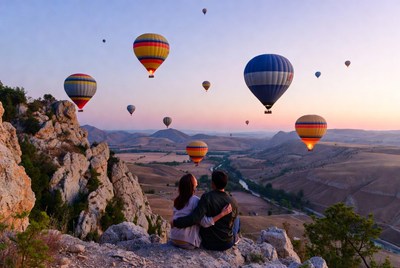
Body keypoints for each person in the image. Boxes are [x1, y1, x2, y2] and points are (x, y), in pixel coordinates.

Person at [173, 170, 240, 251]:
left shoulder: (206, 197)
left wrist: (175, 222)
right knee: (237, 219)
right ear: (226, 184)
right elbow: (199, 220)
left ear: (212, 183)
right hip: (226, 244)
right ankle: (235, 236)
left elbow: (196, 218)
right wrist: (222, 214)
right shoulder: (233, 202)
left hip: (208, 243)